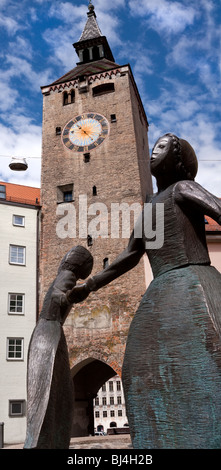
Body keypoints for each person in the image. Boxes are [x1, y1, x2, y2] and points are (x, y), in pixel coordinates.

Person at [71, 134, 221, 448]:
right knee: (138, 370)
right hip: (162, 290)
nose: (155, 150)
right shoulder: (150, 205)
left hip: (193, 282)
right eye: (154, 146)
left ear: (179, 158)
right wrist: (89, 285)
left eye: (163, 146)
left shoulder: (183, 188)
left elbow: (218, 209)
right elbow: (129, 256)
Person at [24, 246, 93, 449]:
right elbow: (58, 294)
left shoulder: (64, 274)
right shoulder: (68, 275)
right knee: (46, 401)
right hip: (49, 333)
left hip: (50, 331)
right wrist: (70, 296)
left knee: (58, 396)